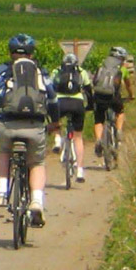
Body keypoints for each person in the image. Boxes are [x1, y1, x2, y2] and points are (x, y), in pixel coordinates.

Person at [0, 33, 54, 227]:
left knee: (5, 151)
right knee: (37, 162)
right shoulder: (41, 72)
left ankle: (1, 192)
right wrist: (55, 122)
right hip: (35, 125)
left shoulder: (1, 71)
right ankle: (37, 201)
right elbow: (52, 98)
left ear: (10, 52)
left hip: (7, 124)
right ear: (32, 54)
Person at [49, 52, 91, 183]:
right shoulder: (81, 71)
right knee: (78, 137)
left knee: (55, 121)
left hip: (60, 102)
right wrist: (90, 106)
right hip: (77, 104)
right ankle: (79, 171)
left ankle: (57, 139)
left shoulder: (57, 71)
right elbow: (89, 90)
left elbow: (49, 88)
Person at [92, 46, 136, 158]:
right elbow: (128, 85)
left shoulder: (101, 66)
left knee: (99, 119)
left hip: (99, 96)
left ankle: (98, 140)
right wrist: (131, 96)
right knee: (120, 111)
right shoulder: (122, 69)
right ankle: (119, 131)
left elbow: (95, 81)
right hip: (113, 97)